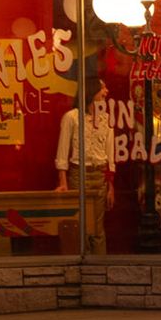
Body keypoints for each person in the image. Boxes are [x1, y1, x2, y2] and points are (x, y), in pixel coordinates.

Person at [54, 76, 115, 255]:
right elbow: (62, 151)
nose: (106, 92)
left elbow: (110, 155)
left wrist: (111, 186)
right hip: (78, 175)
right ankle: (85, 266)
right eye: (102, 88)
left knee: (97, 227)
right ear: (91, 91)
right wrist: (63, 182)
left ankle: (100, 267)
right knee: (81, 226)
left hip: (99, 176)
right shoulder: (72, 117)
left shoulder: (106, 119)